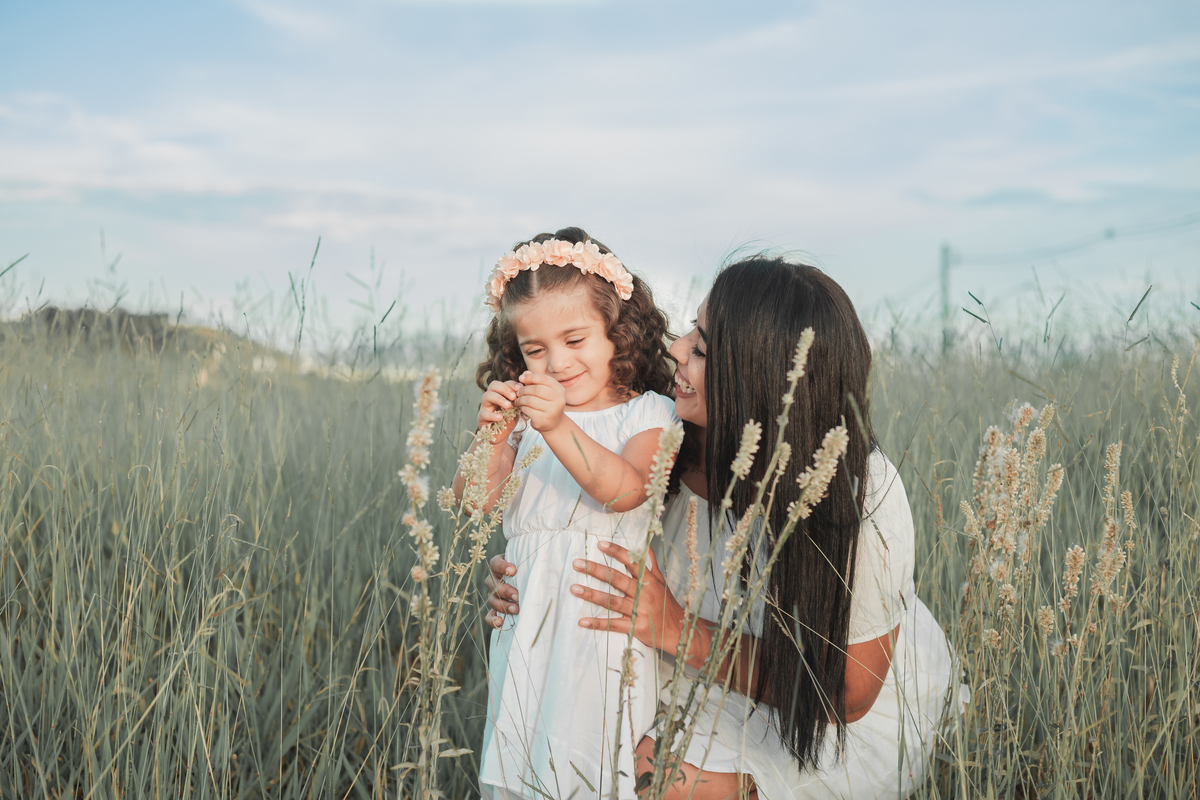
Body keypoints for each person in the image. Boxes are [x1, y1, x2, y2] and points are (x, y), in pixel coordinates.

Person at [486, 256, 962, 798]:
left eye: (702, 348)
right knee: (590, 765)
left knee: (658, 784)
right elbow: (573, 515)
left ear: (756, 378)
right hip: (683, 679)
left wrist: (674, 628)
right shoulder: (659, 432)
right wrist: (533, 574)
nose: (675, 349)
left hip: (813, 715)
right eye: (691, 329)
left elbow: (846, 693)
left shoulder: (856, 492)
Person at [456, 227, 681, 800]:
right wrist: (492, 437)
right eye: (535, 350)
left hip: (601, 626)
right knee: (524, 767)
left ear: (617, 333)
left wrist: (556, 425)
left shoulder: (647, 413)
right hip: (527, 626)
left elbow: (626, 490)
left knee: (592, 769)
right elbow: (475, 502)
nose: (556, 362)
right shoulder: (525, 421)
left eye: (575, 339)